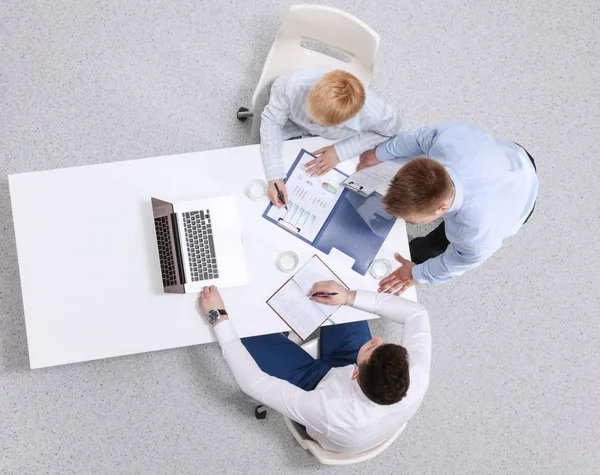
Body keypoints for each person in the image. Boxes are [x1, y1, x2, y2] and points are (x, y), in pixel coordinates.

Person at [198, 281, 431, 454]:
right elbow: (416, 313)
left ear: (355, 372)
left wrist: (218, 317)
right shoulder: (415, 373)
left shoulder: (327, 411)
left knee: (243, 328)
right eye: (381, 344)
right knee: (334, 293)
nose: (377, 337)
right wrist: (349, 296)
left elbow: (254, 383)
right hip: (350, 380)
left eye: (371, 347)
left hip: (314, 389)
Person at [357, 122, 539, 295]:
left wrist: (418, 274)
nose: (404, 221)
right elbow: (419, 138)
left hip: (522, 195)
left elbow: (458, 262)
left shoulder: (476, 235)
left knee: (441, 242)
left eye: (411, 220)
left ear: (441, 209)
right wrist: (380, 153)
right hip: (509, 157)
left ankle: (418, 255)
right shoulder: (450, 141)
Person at [258, 67, 403, 207]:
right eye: (310, 114)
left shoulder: (375, 113)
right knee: (257, 154)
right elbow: (271, 123)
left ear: (349, 118)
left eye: (319, 123)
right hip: (285, 119)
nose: (311, 123)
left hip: (326, 140)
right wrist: (274, 175)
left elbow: (391, 132)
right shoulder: (288, 85)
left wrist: (340, 151)